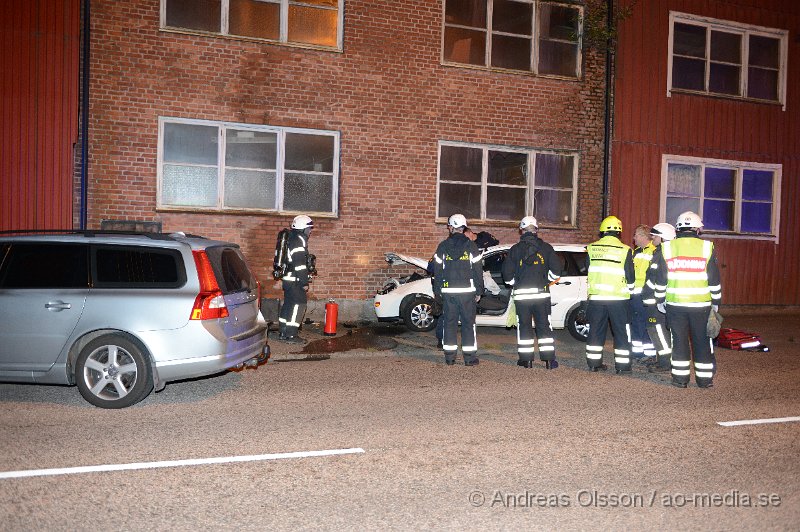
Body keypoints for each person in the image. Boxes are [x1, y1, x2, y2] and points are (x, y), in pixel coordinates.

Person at [651, 212, 721, 388]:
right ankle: (705, 380)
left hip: (675, 304)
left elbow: (661, 279)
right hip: (701, 305)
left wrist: (660, 300)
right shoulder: (707, 247)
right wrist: (716, 303)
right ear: (697, 229)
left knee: (679, 341)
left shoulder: (668, 248)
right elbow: (714, 280)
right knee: (702, 341)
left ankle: (680, 379)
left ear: (678, 228)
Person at [501, 216, 560, 369]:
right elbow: (557, 271)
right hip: (542, 295)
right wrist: (546, 281)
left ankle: (526, 360)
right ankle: (549, 360)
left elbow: (507, 275)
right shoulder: (546, 248)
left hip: (522, 297)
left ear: (521, 230)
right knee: (544, 326)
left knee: (524, 327)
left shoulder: (515, 250)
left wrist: (516, 284)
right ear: (536, 229)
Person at [585, 216, 635, 373]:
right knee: (621, 333)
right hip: (618, 299)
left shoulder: (591, 248)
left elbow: (588, 270)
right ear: (619, 232)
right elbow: (630, 277)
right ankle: (622, 367)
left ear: (602, 231)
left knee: (595, 331)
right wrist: (630, 290)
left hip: (597, 298)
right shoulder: (625, 250)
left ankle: (594, 364)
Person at [433, 214, 484, 366]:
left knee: (449, 324)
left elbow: (437, 271)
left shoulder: (442, 246)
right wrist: (479, 291)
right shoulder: (471, 246)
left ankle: (449, 357)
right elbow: (477, 271)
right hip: (467, 292)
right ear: (463, 228)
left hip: (449, 292)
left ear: (450, 227)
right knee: (469, 324)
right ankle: (469, 358)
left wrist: (438, 292)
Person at [641, 222, 677, 373]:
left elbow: (658, 278)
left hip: (657, 302)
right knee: (657, 331)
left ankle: (665, 363)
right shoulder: (660, 252)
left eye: (655, 236)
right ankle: (661, 360)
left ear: (663, 238)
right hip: (655, 301)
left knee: (658, 332)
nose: (652, 238)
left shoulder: (662, 254)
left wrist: (648, 291)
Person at [277, 215, 313, 343]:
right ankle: (291, 335)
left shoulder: (291, 238)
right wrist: (304, 282)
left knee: (288, 305)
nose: (310, 231)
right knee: (298, 306)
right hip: (295, 281)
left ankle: (283, 332)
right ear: (303, 228)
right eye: (309, 228)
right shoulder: (299, 240)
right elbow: (299, 264)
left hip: (288, 280)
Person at [631, 224, 656, 362]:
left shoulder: (654, 251)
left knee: (646, 325)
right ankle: (637, 353)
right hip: (634, 296)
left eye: (636, 235)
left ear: (642, 236)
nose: (634, 237)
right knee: (636, 324)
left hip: (646, 296)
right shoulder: (636, 252)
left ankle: (649, 354)